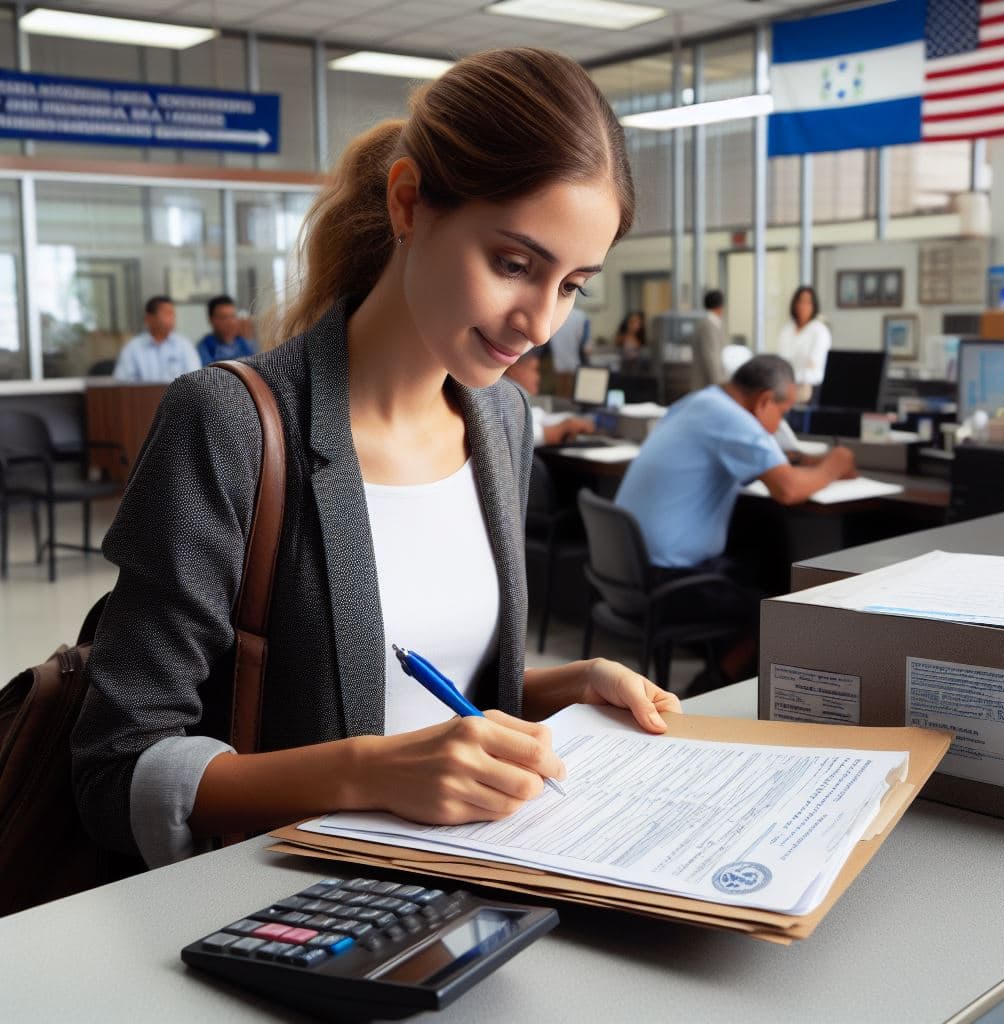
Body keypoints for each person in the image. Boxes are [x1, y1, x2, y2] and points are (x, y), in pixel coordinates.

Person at [71, 48, 680, 870]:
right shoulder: (232, 422)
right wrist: (366, 772)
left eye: (572, 284)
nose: (539, 322)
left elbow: (403, 685)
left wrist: (567, 685)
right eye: (512, 264)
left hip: (473, 880)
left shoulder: (501, 417)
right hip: (282, 909)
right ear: (408, 205)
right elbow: (116, 767)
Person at [615, 355, 855, 685]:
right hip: (670, 583)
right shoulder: (733, 420)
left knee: (759, 542)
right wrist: (832, 467)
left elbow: (766, 459)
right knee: (775, 607)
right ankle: (714, 679)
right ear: (765, 401)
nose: (778, 427)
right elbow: (786, 489)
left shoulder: (700, 402)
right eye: (783, 415)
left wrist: (803, 460)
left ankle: (726, 664)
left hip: (628, 573)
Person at [504, 348, 595, 445]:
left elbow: (536, 416)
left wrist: (569, 422)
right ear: (514, 369)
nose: (538, 377)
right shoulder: (502, 395)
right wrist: (554, 431)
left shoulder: (515, 398)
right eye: (535, 369)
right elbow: (509, 434)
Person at [112, 296, 202, 382]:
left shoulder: (184, 345)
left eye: (173, 314)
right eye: (167, 314)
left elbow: (196, 379)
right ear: (149, 318)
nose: (172, 319)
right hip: (143, 397)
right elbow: (122, 383)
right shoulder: (133, 348)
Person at [776, 285, 831, 402]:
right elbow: (781, 361)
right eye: (800, 301)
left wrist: (794, 376)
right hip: (785, 386)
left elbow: (814, 367)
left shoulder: (819, 330)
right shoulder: (787, 329)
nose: (803, 306)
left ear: (814, 306)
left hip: (809, 390)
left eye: (808, 302)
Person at [196, 295, 256, 366]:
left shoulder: (244, 344)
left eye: (233, 317)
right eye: (224, 318)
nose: (230, 323)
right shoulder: (204, 348)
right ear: (211, 320)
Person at [691, 289, 727, 390]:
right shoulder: (708, 325)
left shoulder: (711, 323)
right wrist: (720, 386)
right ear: (720, 307)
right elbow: (711, 358)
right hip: (707, 385)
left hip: (709, 385)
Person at [547, 306, 590, 374]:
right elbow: (586, 346)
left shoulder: (551, 315)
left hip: (558, 363)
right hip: (576, 362)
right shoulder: (581, 315)